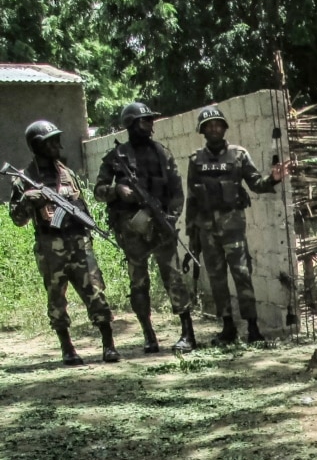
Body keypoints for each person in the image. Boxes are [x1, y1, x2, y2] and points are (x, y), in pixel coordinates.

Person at [8, 121, 120, 365]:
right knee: (56, 298)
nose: (56, 145)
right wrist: (30, 200)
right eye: (50, 141)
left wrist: (88, 231)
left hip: (79, 243)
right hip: (50, 247)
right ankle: (67, 348)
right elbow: (17, 219)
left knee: (96, 293)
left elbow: (82, 206)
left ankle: (109, 345)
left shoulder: (67, 174)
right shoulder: (25, 178)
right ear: (37, 145)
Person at [184, 106, 291, 345]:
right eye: (209, 126)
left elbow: (255, 183)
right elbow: (191, 198)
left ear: (224, 128)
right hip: (206, 230)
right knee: (217, 278)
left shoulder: (239, 155)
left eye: (217, 125)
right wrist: (192, 235)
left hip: (233, 227)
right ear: (203, 130)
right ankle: (228, 327)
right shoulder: (195, 160)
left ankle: (253, 328)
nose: (214, 129)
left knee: (242, 276)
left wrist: (273, 178)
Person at [95, 102, 195, 352]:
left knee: (173, 278)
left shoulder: (163, 153)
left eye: (151, 120)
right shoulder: (116, 157)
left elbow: (176, 192)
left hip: (161, 224)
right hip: (132, 229)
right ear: (130, 124)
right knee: (138, 283)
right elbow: (98, 191)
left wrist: (171, 219)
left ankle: (187, 332)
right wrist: (117, 191)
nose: (150, 125)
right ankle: (148, 335)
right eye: (144, 120)